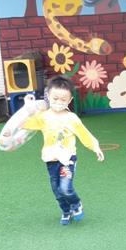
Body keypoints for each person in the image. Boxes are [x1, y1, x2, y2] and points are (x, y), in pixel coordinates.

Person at [22, 76, 104, 225]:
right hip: (51, 160)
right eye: (55, 98)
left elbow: (84, 134)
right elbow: (26, 124)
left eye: (63, 99)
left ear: (70, 100)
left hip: (67, 159)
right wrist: (28, 108)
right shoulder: (43, 117)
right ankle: (66, 211)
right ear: (48, 96)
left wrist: (95, 147)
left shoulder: (72, 118)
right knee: (57, 191)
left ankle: (76, 204)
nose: (59, 102)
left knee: (65, 188)